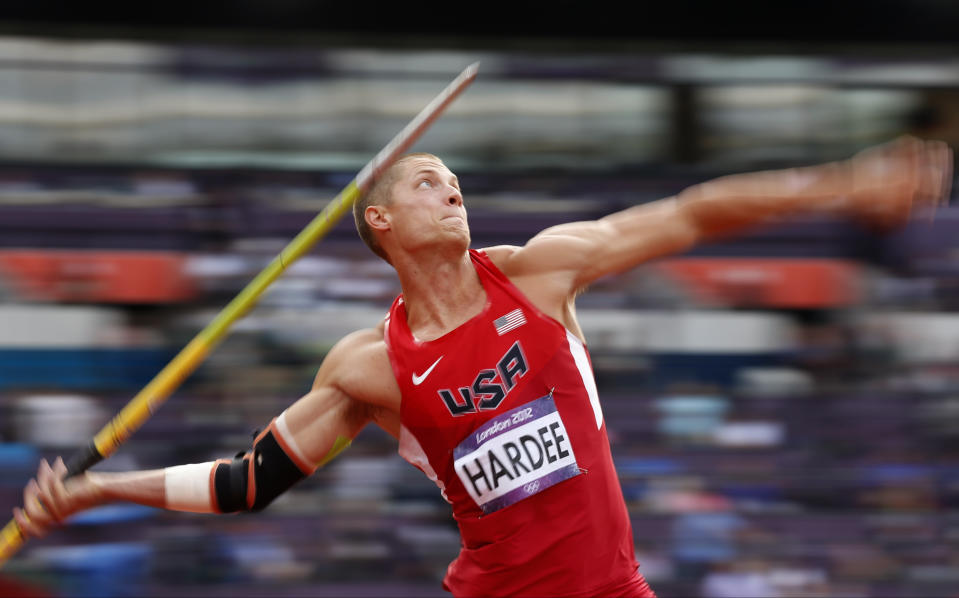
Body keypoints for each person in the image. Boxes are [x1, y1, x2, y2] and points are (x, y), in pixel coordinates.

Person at [13, 136, 953, 598]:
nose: (449, 184)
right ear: (379, 221)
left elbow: (693, 215)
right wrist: (96, 493)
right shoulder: (370, 367)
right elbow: (247, 481)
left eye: (452, 176)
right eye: (424, 180)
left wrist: (835, 184)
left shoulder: (541, 273)